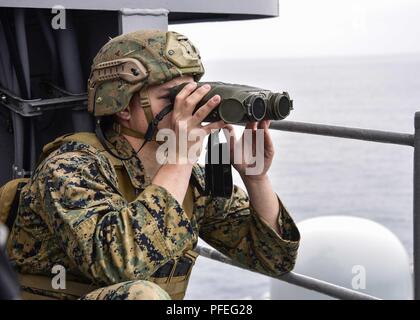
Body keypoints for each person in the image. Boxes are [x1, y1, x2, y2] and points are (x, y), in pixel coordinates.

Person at [6, 30, 300, 300]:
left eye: (193, 94)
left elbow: (274, 260)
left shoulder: (191, 180)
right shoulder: (69, 168)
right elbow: (118, 265)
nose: (188, 108)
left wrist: (255, 178)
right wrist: (180, 159)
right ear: (121, 106)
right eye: (171, 99)